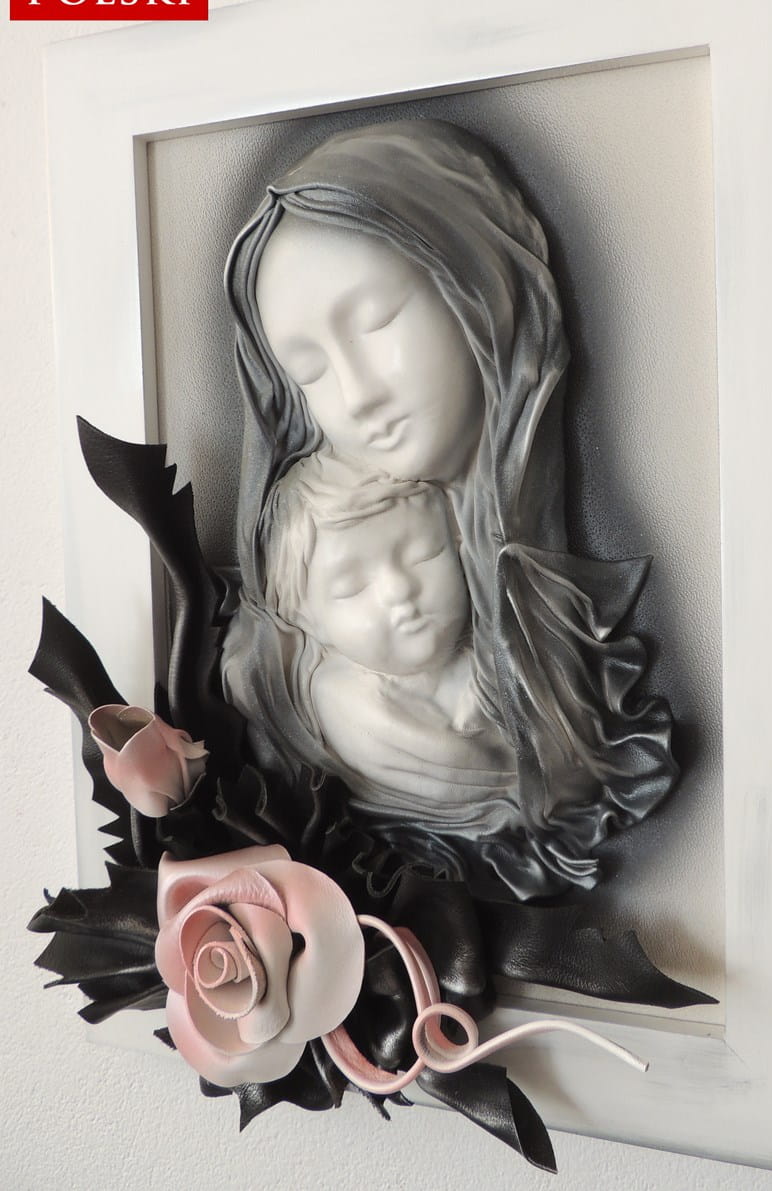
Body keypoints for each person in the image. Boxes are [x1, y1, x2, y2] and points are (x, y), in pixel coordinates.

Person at [221, 118, 676, 898]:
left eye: (376, 321)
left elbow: (573, 768)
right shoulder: (320, 532)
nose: (358, 394)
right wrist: (311, 690)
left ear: (476, 284)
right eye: (309, 370)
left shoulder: (561, 578)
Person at [263, 448, 517, 823]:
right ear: (306, 617)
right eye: (352, 587)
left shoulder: (497, 650)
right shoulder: (348, 705)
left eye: (423, 554)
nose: (399, 590)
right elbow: (492, 782)